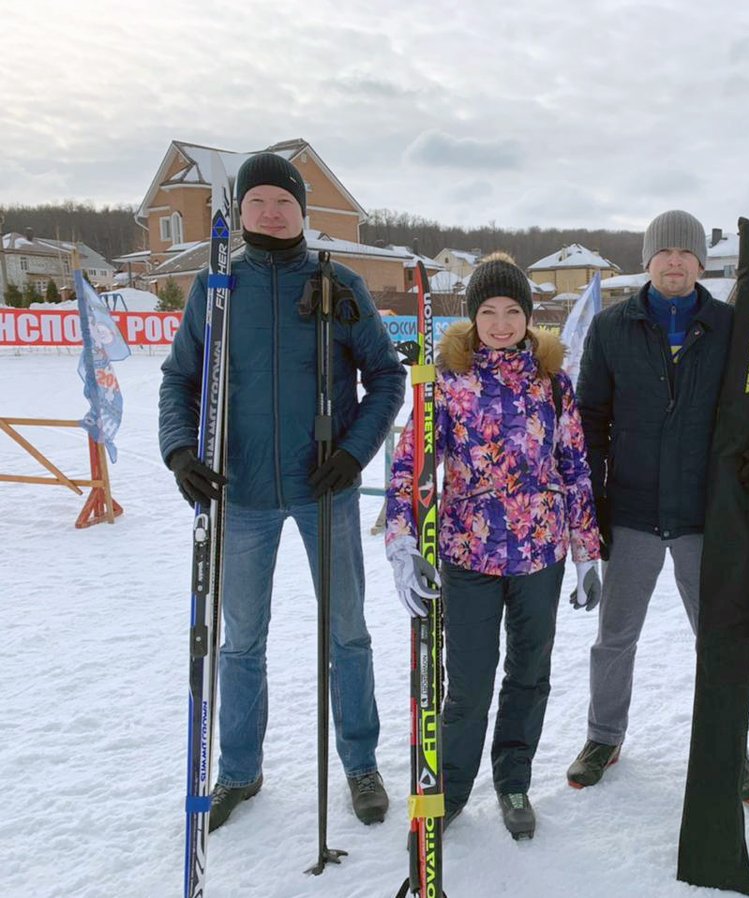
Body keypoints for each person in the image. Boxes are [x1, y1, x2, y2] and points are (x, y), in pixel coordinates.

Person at [159, 152, 405, 831]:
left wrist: (355, 452)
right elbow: (179, 380)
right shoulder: (215, 290)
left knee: (347, 633)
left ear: (303, 211)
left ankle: (360, 762)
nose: (271, 212)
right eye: (258, 201)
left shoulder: (339, 283)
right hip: (239, 492)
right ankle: (239, 769)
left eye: (284, 202)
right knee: (240, 641)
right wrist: (181, 451)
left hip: (323, 486)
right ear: (240, 210)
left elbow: (386, 376)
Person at [567, 210, 749, 802]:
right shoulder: (613, 328)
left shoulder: (731, 325)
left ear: (701, 263)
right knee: (615, 637)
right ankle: (603, 736)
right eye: (663, 252)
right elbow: (590, 418)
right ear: (647, 260)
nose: (675, 261)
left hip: (709, 514)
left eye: (686, 253)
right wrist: (592, 495)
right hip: (632, 511)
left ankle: (731, 745)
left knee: (720, 639)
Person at [385, 252, 602, 841]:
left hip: (540, 555)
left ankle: (513, 780)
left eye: (513, 311)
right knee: (471, 683)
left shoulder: (553, 382)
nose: (502, 323)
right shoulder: (447, 382)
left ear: (530, 317)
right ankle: (449, 792)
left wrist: (586, 551)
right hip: (470, 555)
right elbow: (410, 466)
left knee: (529, 675)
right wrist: (403, 542)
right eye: (489, 311)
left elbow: (575, 466)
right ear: (472, 317)